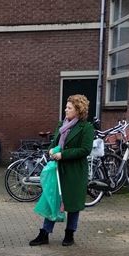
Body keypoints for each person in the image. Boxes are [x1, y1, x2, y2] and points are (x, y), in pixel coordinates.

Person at [29, 94, 94, 247]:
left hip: (75, 172)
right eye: (66, 107)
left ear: (78, 110)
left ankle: (69, 234)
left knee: (72, 204)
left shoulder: (86, 128)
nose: (66, 110)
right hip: (58, 170)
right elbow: (54, 142)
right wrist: (51, 151)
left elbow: (85, 150)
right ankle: (44, 233)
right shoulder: (61, 124)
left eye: (69, 107)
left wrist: (62, 155)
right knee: (53, 200)